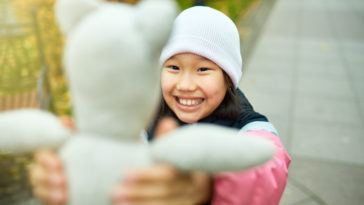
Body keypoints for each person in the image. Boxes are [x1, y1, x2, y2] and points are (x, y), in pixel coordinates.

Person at [29, 6, 291, 205]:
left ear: (228, 77)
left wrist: (206, 185)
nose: (185, 84)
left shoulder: (250, 126)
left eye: (203, 69)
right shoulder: (140, 120)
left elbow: (270, 168)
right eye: (173, 67)